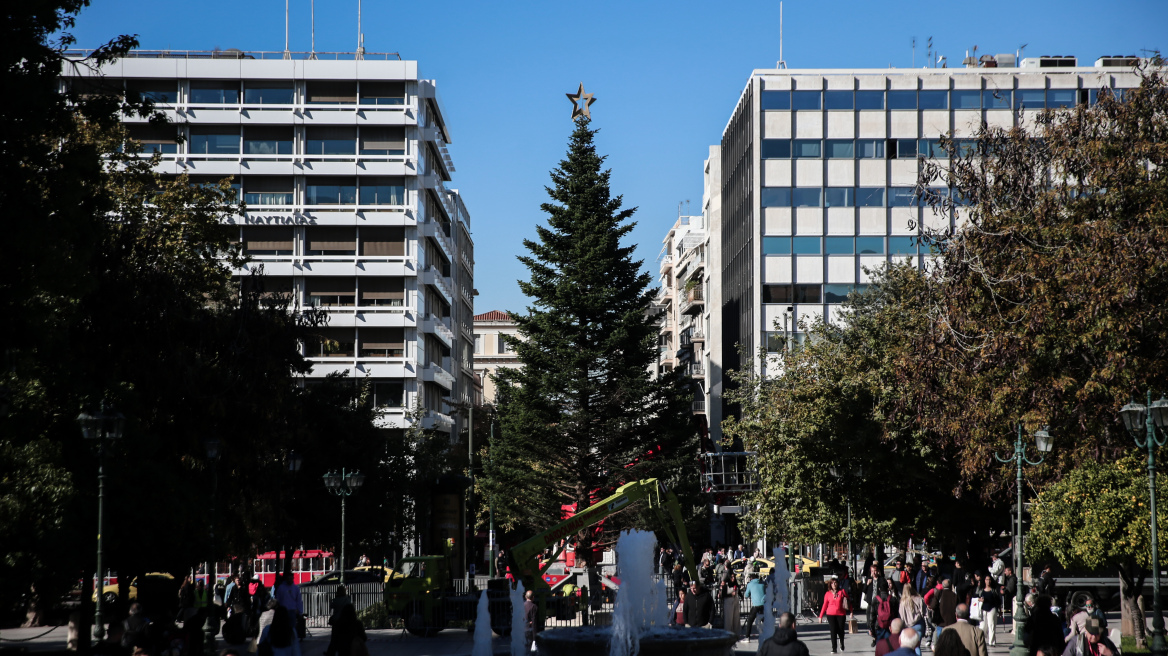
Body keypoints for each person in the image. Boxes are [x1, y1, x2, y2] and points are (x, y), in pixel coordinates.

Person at [819, 577, 850, 654]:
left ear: (838, 583)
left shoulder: (842, 592)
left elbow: (849, 602)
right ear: (830, 584)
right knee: (833, 630)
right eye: (832, 583)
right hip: (830, 614)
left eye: (835, 582)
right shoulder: (827, 594)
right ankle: (834, 648)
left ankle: (842, 643)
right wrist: (820, 616)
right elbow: (824, 605)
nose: (834, 584)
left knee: (840, 630)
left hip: (841, 614)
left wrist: (851, 612)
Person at [274, 569, 304, 645]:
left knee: (292, 627)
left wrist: (300, 611)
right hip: (283, 611)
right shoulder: (281, 588)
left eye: (291, 578)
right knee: (284, 627)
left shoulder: (296, 588)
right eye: (289, 578)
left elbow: (299, 600)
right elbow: (278, 599)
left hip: (292, 610)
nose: (290, 580)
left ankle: (292, 641)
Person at [978, 576, 1001, 647]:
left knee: (991, 625)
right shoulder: (981, 590)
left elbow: (998, 601)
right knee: (982, 626)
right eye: (987, 579)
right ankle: (982, 641)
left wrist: (999, 610)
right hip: (983, 610)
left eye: (989, 580)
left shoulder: (994, 590)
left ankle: (992, 642)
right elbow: (976, 598)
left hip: (992, 609)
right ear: (984, 581)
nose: (988, 581)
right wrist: (979, 599)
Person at [743, 573, 767, 640]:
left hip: (756, 605)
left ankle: (747, 637)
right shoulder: (762, 583)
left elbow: (746, 595)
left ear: (751, 578)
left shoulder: (750, 584)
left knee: (750, 621)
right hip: (763, 604)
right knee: (765, 621)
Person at [723, 572, 742, 639]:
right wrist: (731, 594)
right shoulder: (725, 584)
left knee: (736, 619)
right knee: (729, 619)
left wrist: (741, 596)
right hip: (728, 602)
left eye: (734, 577)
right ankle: (728, 634)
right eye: (731, 577)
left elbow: (738, 591)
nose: (733, 578)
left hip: (735, 601)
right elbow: (723, 594)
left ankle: (736, 633)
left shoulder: (735, 584)